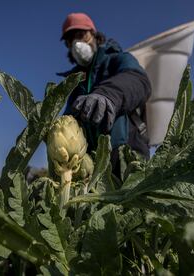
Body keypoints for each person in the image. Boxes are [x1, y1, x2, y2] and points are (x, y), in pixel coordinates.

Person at [58, 12, 152, 176]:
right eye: (70, 41)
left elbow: (139, 80)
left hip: (126, 152)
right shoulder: (73, 82)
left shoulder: (117, 59)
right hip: (91, 165)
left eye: (81, 35)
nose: (76, 44)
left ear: (94, 35)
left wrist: (108, 95)